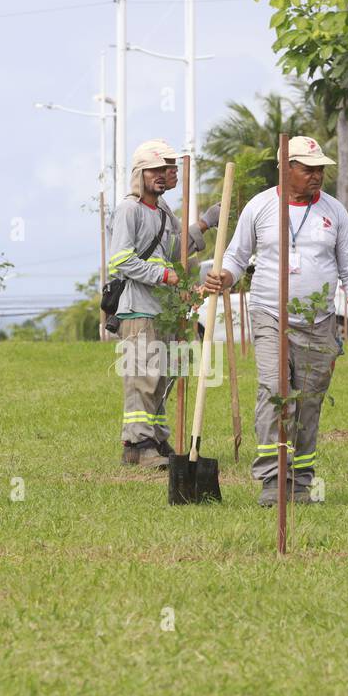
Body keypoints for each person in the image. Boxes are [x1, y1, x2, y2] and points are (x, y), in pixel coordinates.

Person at [203, 136, 348, 505]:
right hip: (269, 314)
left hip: (320, 320)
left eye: (320, 169)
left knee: (309, 401)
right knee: (275, 392)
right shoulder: (260, 207)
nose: (317, 176)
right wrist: (224, 279)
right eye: (308, 169)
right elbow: (235, 257)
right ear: (286, 168)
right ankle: (272, 480)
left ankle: (301, 481)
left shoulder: (334, 212)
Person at [107, 140, 218, 467]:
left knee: (164, 377)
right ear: (140, 173)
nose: (164, 175)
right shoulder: (130, 209)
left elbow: (174, 250)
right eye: (156, 169)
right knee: (143, 376)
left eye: (168, 169)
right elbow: (121, 261)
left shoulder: (165, 212)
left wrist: (204, 225)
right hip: (139, 307)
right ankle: (137, 444)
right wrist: (163, 276)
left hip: (166, 309)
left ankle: (156, 438)